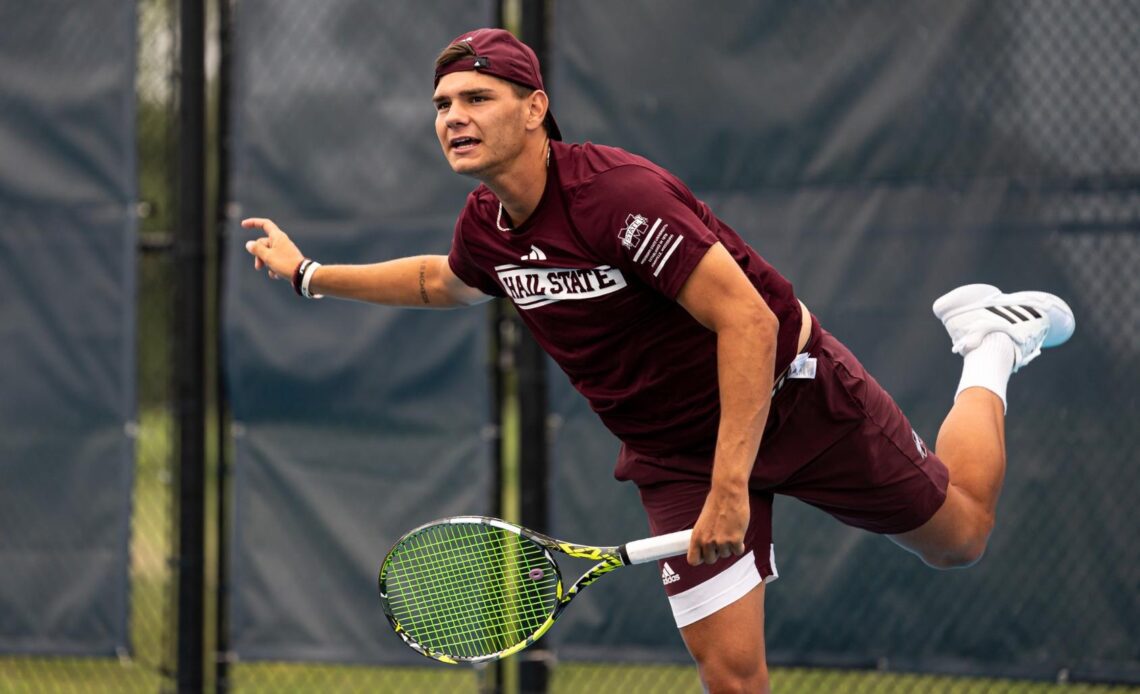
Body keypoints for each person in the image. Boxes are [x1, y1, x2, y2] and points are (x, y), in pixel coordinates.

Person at [242, 28, 1075, 694]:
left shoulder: (616, 196)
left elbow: (745, 322)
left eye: (477, 98)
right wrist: (312, 275)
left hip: (792, 399)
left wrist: (731, 488)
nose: (453, 116)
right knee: (732, 678)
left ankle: (990, 343)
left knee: (959, 536)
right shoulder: (486, 226)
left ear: (534, 109)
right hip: (674, 455)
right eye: (442, 103)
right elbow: (442, 280)